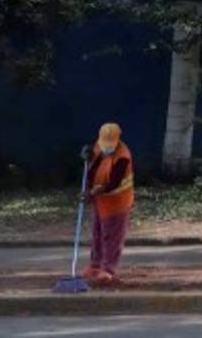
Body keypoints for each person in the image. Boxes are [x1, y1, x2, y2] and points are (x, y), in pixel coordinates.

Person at [81, 122, 134, 285]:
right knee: (97, 233)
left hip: (117, 202)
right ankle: (95, 265)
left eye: (110, 144)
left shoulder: (123, 156)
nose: (106, 147)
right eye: (104, 143)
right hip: (101, 201)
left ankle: (108, 269)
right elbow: (92, 171)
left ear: (117, 140)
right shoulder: (99, 146)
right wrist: (87, 159)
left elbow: (115, 182)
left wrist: (97, 191)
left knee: (111, 237)